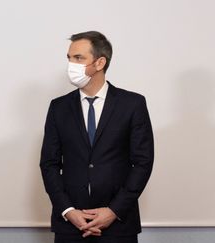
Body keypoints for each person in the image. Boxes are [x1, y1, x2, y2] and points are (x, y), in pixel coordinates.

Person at [40, 31, 154, 243]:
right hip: (70, 226)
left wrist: (113, 211)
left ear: (100, 62)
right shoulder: (59, 108)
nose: (71, 65)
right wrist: (68, 210)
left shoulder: (132, 104)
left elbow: (142, 163)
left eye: (78, 58)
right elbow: (49, 164)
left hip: (118, 225)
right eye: (69, 58)